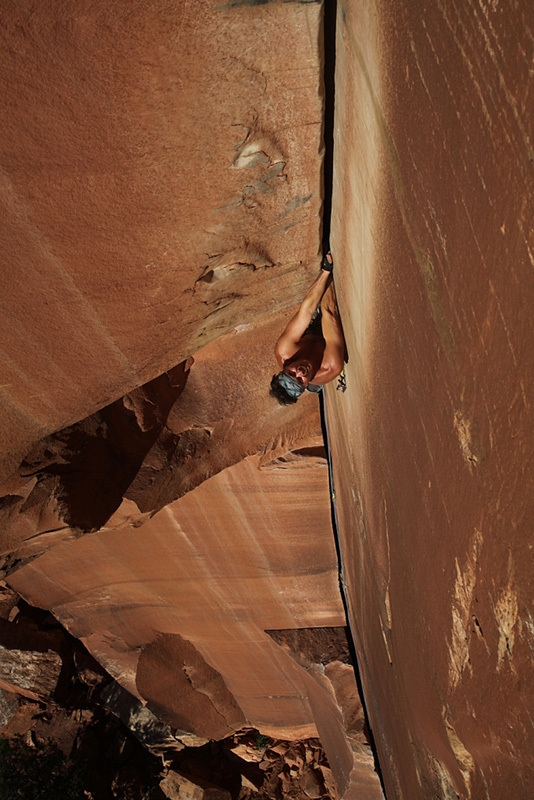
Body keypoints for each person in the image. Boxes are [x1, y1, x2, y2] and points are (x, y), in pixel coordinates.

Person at [270, 253, 345, 405]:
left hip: (310, 334)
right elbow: (329, 312)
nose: (300, 372)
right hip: (325, 343)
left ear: (285, 367)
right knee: (328, 312)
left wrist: (325, 270)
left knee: (313, 310)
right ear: (305, 385)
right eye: (300, 380)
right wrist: (331, 274)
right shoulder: (330, 367)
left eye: (292, 373)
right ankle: (315, 388)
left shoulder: (284, 350)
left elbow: (306, 311)